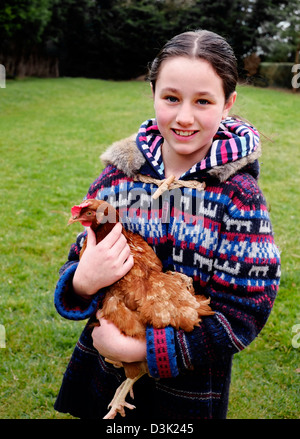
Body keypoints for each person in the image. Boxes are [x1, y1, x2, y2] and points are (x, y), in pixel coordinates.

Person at [54, 29, 281, 419]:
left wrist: (142, 350)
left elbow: (245, 311)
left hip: (186, 392)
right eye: (171, 98)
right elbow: (79, 258)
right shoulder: (117, 180)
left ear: (228, 104)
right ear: (153, 94)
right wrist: (82, 281)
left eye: (204, 101)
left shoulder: (238, 197)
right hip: (104, 372)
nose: (185, 117)